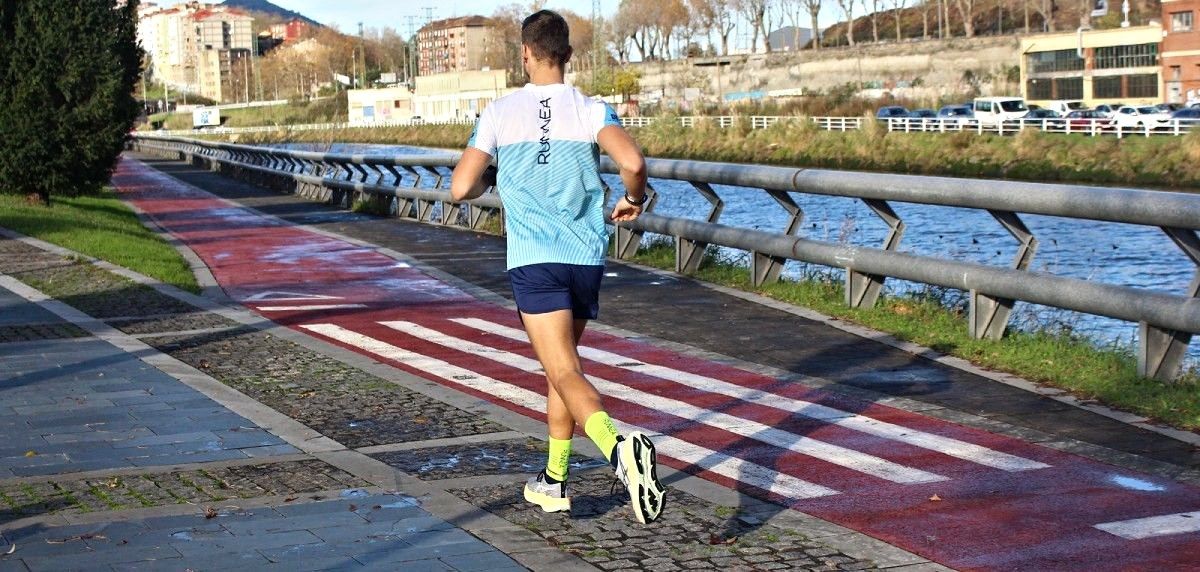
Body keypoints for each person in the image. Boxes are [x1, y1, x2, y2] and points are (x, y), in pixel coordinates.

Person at [449, 9, 665, 524]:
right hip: (585, 258)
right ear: (568, 55)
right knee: (561, 367)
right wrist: (635, 198)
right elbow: (632, 164)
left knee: (563, 369)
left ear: (525, 53)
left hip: (535, 260)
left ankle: (619, 449)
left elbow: (460, 187)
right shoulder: (592, 109)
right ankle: (554, 479)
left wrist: (493, 180)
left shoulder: (500, 112)